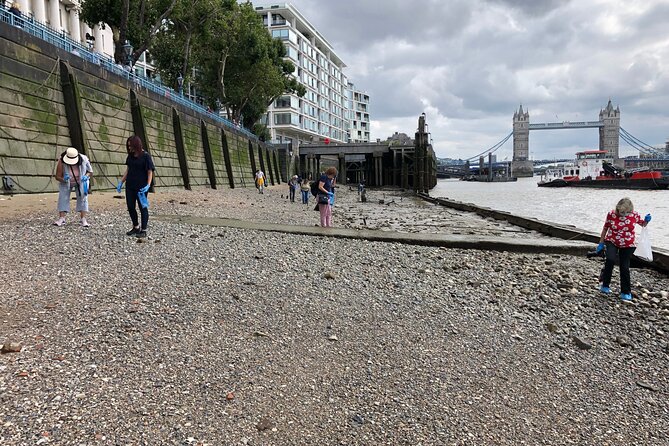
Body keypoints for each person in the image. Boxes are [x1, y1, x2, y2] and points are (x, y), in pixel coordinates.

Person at [596, 197, 651, 301]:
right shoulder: (611, 214)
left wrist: (647, 220)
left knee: (624, 267)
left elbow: (642, 224)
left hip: (628, 243)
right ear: (618, 209)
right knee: (610, 260)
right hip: (612, 240)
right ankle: (605, 285)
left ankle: (625, 292)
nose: (623, 215)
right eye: (621, 212)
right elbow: (605, 228)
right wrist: (601, 243)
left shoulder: (634, 215)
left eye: (626, 213)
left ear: (630, 211)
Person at [117, 135, 155, 238]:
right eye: (128, 146)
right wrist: (121, 182)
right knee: (130, 206)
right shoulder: (130, 156)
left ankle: (144, 229)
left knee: (143, 207)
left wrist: (148, 185)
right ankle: (136, 226)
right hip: (130, 185)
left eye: (131, 146)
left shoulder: (146, 156)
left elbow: (149, 171)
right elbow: (128, 170)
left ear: (136, 144)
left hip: (141, 187)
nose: (129, 148)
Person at [53, 147, 93, 227]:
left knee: (83, 197)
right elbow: (57, 176)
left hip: (81, 181)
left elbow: (90, 171)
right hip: (66, 182)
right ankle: (62, 218)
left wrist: (86, 176)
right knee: (63, 197)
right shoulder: (62, 160)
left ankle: (83, 218)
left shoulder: (84, 159)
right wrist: (64, 179)